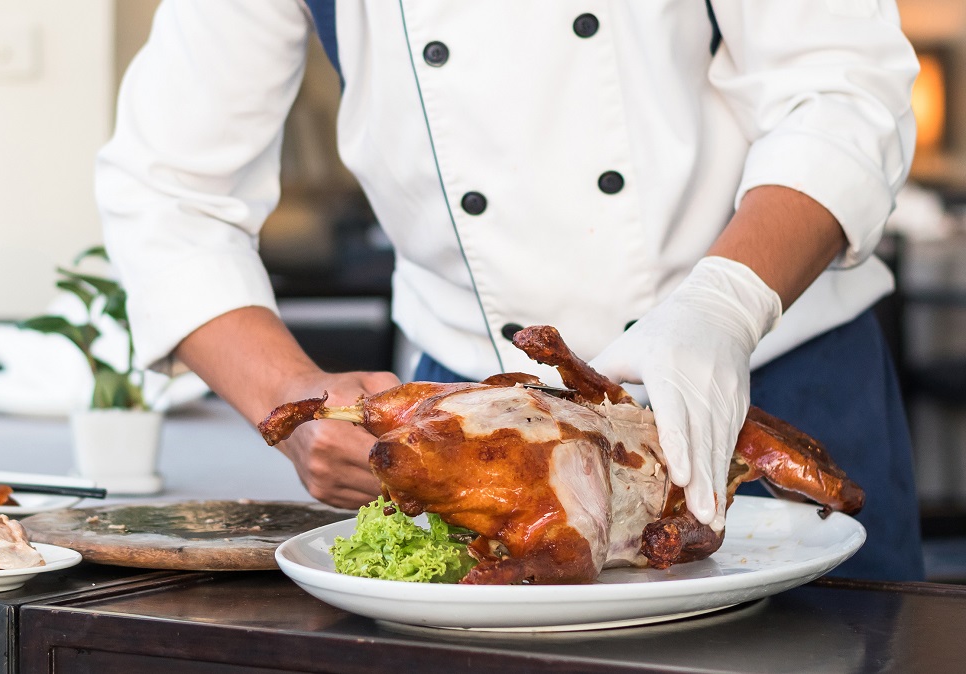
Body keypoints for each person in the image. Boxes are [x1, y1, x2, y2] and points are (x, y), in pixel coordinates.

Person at [96, 1, 924, 581]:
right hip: (475, 422)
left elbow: (842, 90)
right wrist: (285, 396)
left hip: (772, 370)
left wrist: (726, 303)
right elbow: (168, 187)